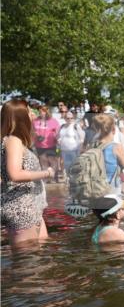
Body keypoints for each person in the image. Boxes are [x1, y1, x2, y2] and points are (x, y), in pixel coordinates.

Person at [1, 99, 52, 246]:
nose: (32, 114)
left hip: (31, 206)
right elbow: (15, 174)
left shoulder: (14, 141)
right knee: (27, 263)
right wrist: (46, 173)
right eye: (29, 111)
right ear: (20, 116)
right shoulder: (13, 140)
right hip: (22, 209)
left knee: (40, 258)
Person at [90, 113, 124, 195]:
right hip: (111, 192)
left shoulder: (91, 146)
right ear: (114, 130)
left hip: (94, 191)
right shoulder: (116, 147)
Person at [32, 105, 61, 179]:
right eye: (40, 111)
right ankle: (46, 177)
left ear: (47, 112)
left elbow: (58, 132)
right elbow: (32, 131)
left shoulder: (53, 120)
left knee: (52, 161)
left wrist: (56, 138)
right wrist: (36, 135)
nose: (41, 113)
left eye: (43, 111)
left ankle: (54, 176)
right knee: (43, 161)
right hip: (39, 145)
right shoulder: (35, 120)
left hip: (50, 145)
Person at [57, 111, 85, 178]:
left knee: (74, 167)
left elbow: (82, 139)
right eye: (68, 118)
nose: (69, 119)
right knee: (66, 166)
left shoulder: (76, 126)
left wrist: (80, 150)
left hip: (74, 151)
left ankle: (74, 181)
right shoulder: (62, 126)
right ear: (65, 118)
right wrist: (59, 140)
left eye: (71, 118)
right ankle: (68, 182)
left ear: (73, 118)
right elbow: (59, 136)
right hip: (64, 150)